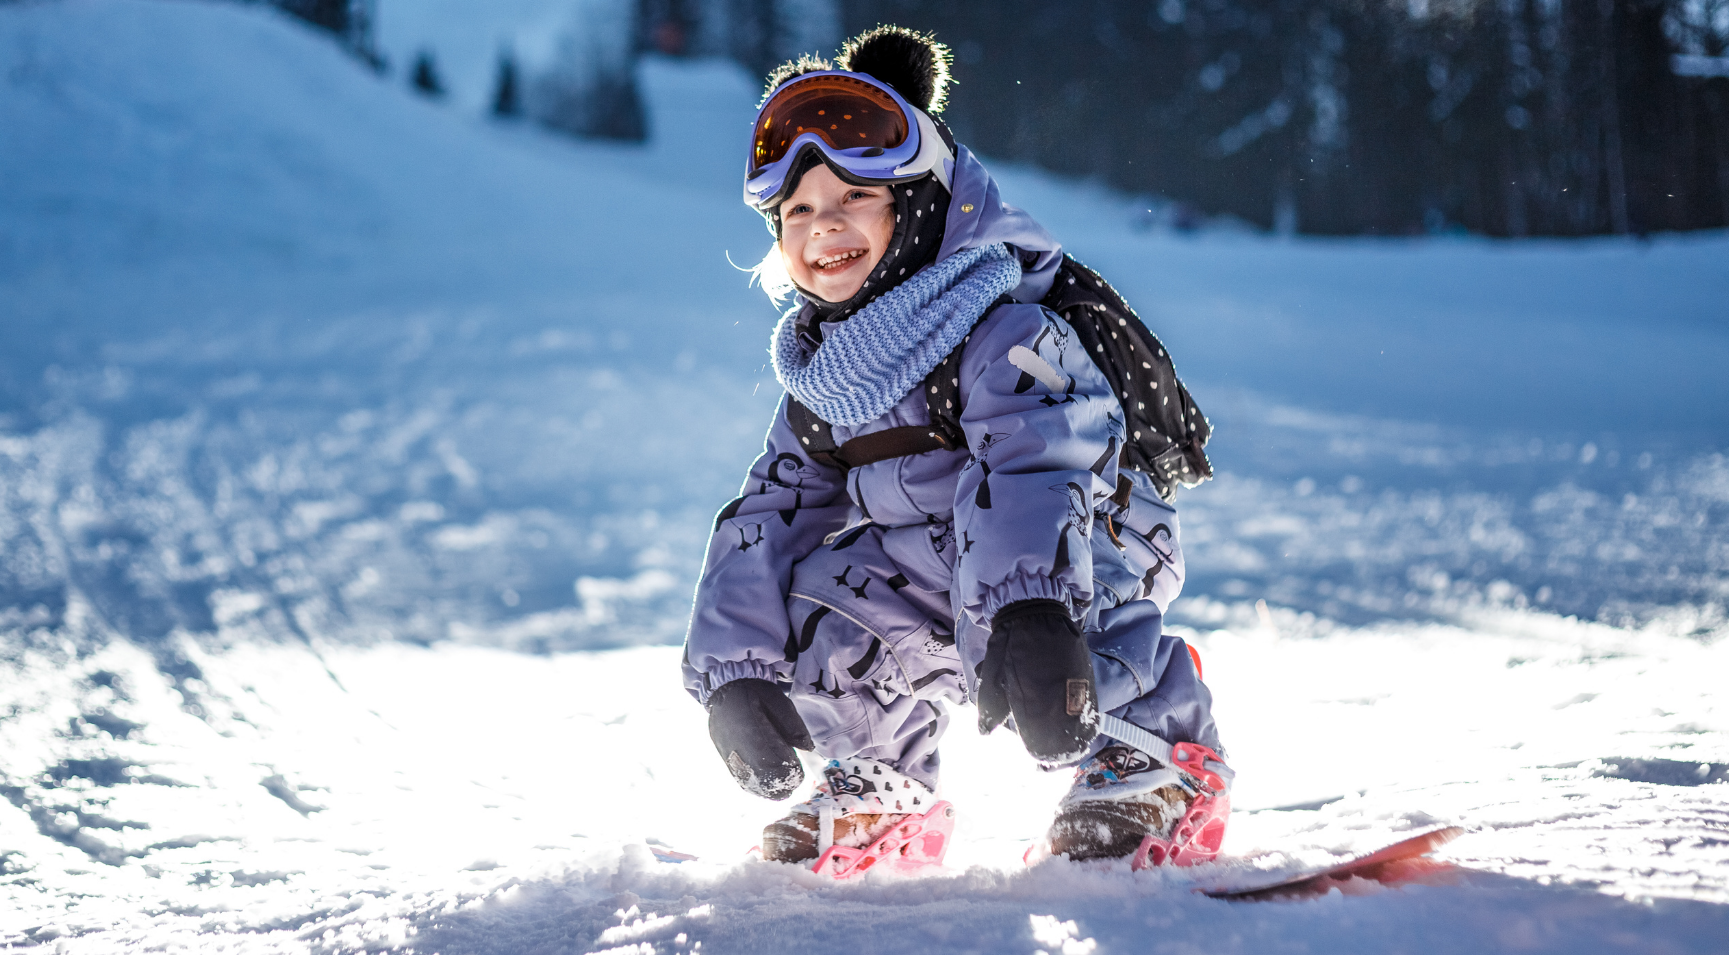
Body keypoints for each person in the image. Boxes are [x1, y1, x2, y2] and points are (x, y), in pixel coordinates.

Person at [681, 25, 1230, 871]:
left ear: (922, 205)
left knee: (1016, 553)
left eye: (852, 198)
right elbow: (767, 511)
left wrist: (1032, 605)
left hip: (1083, 542)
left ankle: (1157, 752)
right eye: (797, 211)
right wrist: (734, 670)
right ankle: (880, 777)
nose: (823, 226)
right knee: (823, 595)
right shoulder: (829, 383)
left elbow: (1038, 461)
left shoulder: (1001, 324)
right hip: (959, 572)